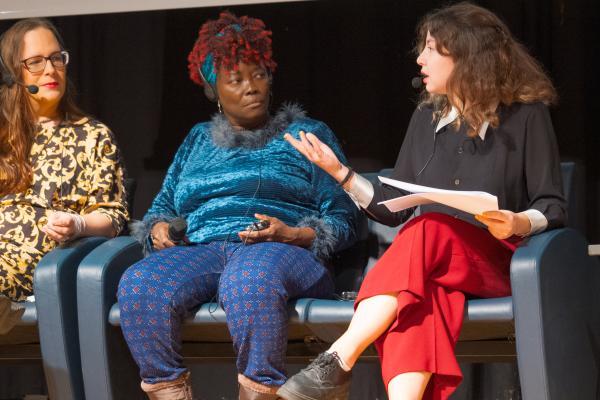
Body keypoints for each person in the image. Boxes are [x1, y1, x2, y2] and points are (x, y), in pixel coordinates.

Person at [277, 3, 566, 400]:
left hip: (497, 264)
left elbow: (552, 205)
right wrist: (340, 173)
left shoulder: (526, 116)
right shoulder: (426, 119)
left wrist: (517, 222)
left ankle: (339, 357)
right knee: (421, 299)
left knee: (427, 228)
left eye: (432, 48)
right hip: (432, 267)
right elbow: (393, 209)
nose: (420, 58)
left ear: (465, 55)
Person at [117, 11, 361, 400]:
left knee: (249, 278)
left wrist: (296, 234)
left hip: (282, 252)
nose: (252, 88)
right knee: (139, 284)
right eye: (236, 80)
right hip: (205, 249)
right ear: (214, 92)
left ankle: (263, 391)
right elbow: (161, 206)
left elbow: (345, 217)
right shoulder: (197, 140)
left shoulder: (306, 134)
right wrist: (159, 228)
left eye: (259, 75)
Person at [0, 18, 128, 334]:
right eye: (35, 62)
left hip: (28, 268)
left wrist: (79, 224)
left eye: (57, 58)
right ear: (12, 74)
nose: (50, 70)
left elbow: (113, 217)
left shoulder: (92, 136)